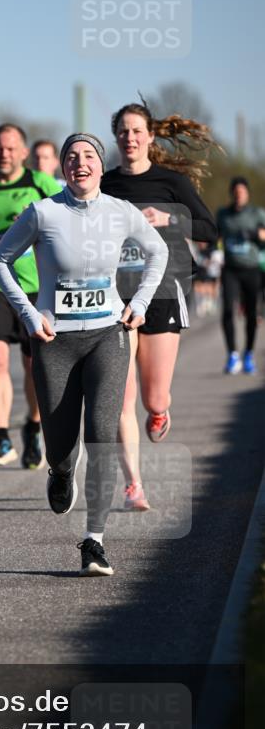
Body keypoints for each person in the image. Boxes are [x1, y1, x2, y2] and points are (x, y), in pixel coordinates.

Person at [0, 134, 167, 575]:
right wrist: (29, 315)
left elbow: (158, 251)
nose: (79, 162)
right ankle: (60, 472)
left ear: (100, 167)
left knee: (102, 435)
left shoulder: (120, 212)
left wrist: (139, 303)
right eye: (71, 157)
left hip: (109, 335)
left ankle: (95, 540)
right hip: (54, 341)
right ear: (63, 169)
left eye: (88, 156)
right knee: (61, 443)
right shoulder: (43, 212)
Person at [101, 99, 218, 511]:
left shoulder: (171, 183)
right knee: (119, 395)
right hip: (116, 296)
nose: (129, 138)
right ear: (115, 138)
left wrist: (168, 219)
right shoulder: (105, 185)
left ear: (149, 136)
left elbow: (209, 230)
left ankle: (160, 411)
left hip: (164, 292)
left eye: (136, 131)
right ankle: (134, 484)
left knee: (153, 398)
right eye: (122, 132)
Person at [0, 124, 60, 468]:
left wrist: (37, 225)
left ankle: (33, 426)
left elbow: (65, 220)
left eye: (10, 149)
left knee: (33, 364)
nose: (3, 154)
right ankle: (1, 436)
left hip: (36, 285)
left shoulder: (42, 184)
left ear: (23, 152)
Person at [216, 176, 265, 374]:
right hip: (230, 269)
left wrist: (254, 234)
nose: (239, 195)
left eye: (242, 192)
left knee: (251, 314)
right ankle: (232, 355)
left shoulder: (256, 213)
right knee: (228, 310)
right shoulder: (223, 214)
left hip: (252, 269)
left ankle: (249, 354)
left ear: (247, 193)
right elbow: (215, 236)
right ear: (232, 194)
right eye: (235, 192)